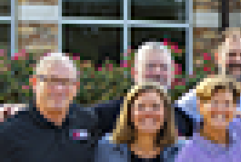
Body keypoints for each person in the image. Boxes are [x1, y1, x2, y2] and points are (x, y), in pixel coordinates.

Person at [0, 41, 194, 136]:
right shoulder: (107, 114)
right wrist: (25, 111)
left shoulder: (184, 120)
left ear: (172, 74)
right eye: (150, 66)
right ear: (135, 73)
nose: (157, 73)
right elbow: (65, 115)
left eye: (164, 67)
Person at [178, 27, 241, 126]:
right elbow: (173, 122)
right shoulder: (199, 95)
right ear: (218, 58)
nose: (238, 60)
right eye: (231, 55)